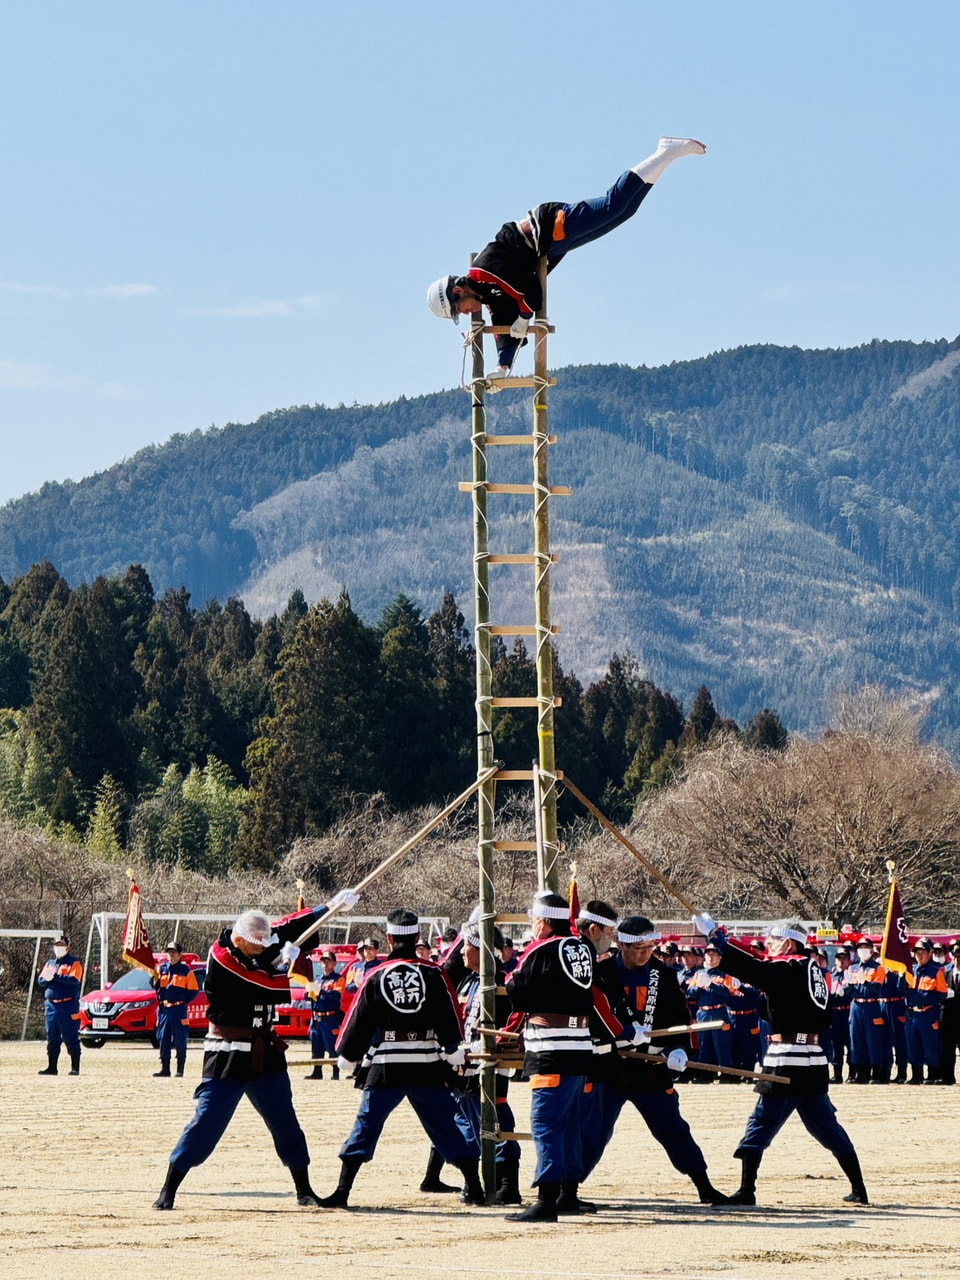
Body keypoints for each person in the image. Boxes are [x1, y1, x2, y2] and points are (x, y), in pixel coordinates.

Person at [426, 137, 707, 378]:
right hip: (552, 245)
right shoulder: (488, 293)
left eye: (459, 309)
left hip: (551, 226)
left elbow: (529, 290)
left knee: (613, 205)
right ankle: (667, 156)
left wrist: (524, 316)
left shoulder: (485, 271)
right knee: (623, 212)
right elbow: (504, 328)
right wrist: (503, 366)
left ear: (459, 291)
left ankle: (665, 151)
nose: (465, 313)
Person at [152, 890, 359, 1210]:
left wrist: (330, 907)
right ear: (240, 939)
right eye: (257, 945)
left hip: (265, 1051)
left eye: (266, 944)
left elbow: (290, 926)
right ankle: (169, 1188)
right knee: (206, 1122)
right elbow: (268, 986)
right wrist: (285, 962)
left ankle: (304, 1189)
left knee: (285, 1121)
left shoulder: (257, 942)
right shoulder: (222, 957)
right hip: (228, 1053)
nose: (263, 949)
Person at [692, 912, 868, 1207]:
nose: (767, 943)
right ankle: (859, 1187)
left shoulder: (790, 967)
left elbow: (754, 968)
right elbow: (758, 961)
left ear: (788, 944)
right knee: (827, 1127)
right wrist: (722, 937)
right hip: (813, 1060)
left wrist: (716, 939)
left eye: (773, 940)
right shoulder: (808, 968)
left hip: (787, 1058)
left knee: (761, 1121)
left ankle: (747, 1189)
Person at [319, 909, 484, 1209]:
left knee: (366, 1125)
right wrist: (452, 1046)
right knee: (446, 1123)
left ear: (389, 938)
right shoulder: (433, 974)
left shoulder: (376, 975)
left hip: (387, 1064)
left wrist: (349, 1054)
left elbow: (359, 1018)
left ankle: (342, 1191)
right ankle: (474, 1188)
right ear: (418, 936)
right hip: (426, 1063)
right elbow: (448, 1012)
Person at [581, 913, 728, 1206]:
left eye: (650, 947)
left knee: (673, 1127)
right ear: (622, 945)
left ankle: (704, 1185)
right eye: (639, 948)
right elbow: (594, 1017)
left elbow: (679, 1017)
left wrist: (679, 1049)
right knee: (592, 1130)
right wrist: (622, 1034)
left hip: (650, 1066)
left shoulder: (664, 975)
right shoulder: (601, 973)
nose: (646, 953)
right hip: (611, 1066)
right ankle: (567, 1188)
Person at [504, 891, 630, 1223]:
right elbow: (594, 997)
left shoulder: (540, 949)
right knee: (571, 1124)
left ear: (544, 922)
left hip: (550, 1048)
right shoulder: (583, 950)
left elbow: (515, 987)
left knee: (546, 1124)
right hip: (581, 1048)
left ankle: (546, 1198)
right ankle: (568, 1194)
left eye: (535, 920)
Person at [37, 934, 83, 1077]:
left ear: (68, 947)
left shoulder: (74, 963)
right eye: (57, 945)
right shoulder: (50, 963)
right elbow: (40, 981)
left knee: (70, 1037)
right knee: (52, 1037)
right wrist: (47, 978)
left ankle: (75, 1067)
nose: (58, 948)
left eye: (62, 945)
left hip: (67, 1006)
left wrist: (56, 977)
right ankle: (52, 1067)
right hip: (51, 1006)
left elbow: (74, 980)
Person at [847, 936, 892, 1083]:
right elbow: (849, 989)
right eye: (860, 948)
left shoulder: (877, 968)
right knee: (857, 1039)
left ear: (872, 950)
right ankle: (861, 1074)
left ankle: (876, 1074)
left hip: (871, 1006)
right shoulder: (853, 968)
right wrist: (847, 986)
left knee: (873, 1040)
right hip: (856, 1005)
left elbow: (877, 988)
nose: (863, 950)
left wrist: (865, 982)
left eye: (866, 947)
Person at [151, 941, 199, 1078]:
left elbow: (193, 991)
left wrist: (182, 1002)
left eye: (174, 952)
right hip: (164, 1010)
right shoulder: (161, 969)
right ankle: (165, 1068)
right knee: (163, 1039)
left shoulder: (186, 971)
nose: (171, 955)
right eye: (169, 952)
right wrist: (153, 975)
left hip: (178, 1010)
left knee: (180, 1039)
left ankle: (180, 1069)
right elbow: (154, 985)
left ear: (179, 954)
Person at [905, 937, 949, 1084]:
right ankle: (916, 1075)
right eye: (917, 952)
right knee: (913, 1045)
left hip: (928, 1013)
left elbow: (942, 994)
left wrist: (928, 999)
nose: (920, 955)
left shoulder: (936, 972)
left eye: (923, 952)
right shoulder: (911, 971)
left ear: (930, 953)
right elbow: (903, 990)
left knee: (930, 1045)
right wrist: (900, 977)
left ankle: (933, 1075)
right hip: (913, 1014)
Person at [305, 950, 346, 1081]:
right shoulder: (317, 979)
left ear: (334, 963)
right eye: (323, 961)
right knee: (316, 1045)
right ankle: (317, 1071)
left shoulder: (338, 979)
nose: (325, 964)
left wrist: (321, 991)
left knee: (332, 1046)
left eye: (328, 961)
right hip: (317, 1017)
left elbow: (337, 996)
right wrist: (309, 991)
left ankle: (335, 1073)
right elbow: (309, 997)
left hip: (330, 1018)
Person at [827, 946, 855, 1083]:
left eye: (844, 958)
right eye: (839, 958)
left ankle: (852, 1073)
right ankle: (837, 1074)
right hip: (835, 1013)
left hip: (847, 1012)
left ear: (849, 960)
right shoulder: (831, 975)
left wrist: (848, 989)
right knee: (836, 1045)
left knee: (850, 1044)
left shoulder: (852, 974)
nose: (841, 961)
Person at [942, 939, 960, 1086]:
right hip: (948, 1017)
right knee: (947, 1050)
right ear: (950, 957)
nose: (957, 959)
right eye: (955, 956)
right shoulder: (945, 974)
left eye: (959, 956)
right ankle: (948, 1077)